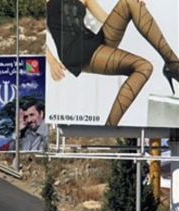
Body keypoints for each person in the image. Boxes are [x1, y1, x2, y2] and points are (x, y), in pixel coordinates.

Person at [46, 0, 179, 126]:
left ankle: (173, 63)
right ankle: (109, 127)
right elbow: (40, 33)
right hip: (74, 51)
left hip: (92, 40)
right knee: (144, 67)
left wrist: (134, 12)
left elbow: (105, 18)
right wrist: (51, 61)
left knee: (130, 3)